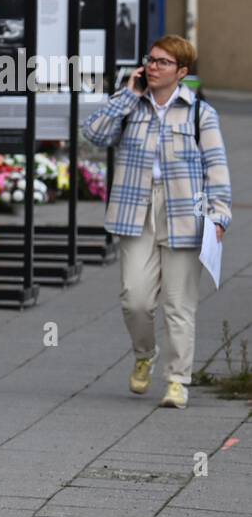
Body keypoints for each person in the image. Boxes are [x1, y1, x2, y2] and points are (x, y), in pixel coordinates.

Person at [81, 35, 232, 410]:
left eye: (164, 62)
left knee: (180, 304)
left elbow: (216, 168)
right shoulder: (131, 106)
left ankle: (178, 380)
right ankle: (144, 353)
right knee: (135, 298)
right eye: (151, 59)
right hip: (135, 209)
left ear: (181, 72)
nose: (153, 66)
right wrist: (127, 96)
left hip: (185, 211)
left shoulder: (200, 114)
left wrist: (219, 215)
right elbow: (93, 133)